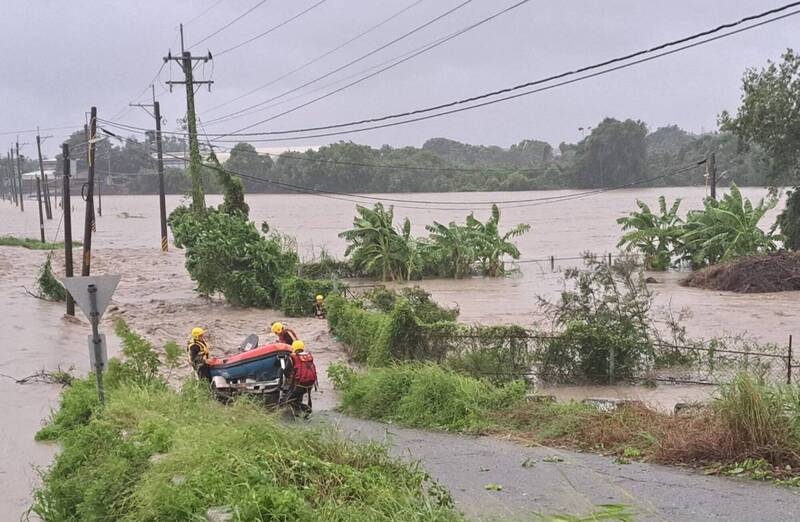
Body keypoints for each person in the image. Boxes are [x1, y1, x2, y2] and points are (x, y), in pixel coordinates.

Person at [283, 340, 317, 416]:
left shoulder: (292, 357)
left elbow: (286, 371)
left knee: (289, 400)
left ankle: (306, 409)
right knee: (298, 396)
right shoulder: (308, 356)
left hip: (299, 384)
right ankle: (298, 413)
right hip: (310, 383)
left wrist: (288, 379)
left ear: (293, 348)